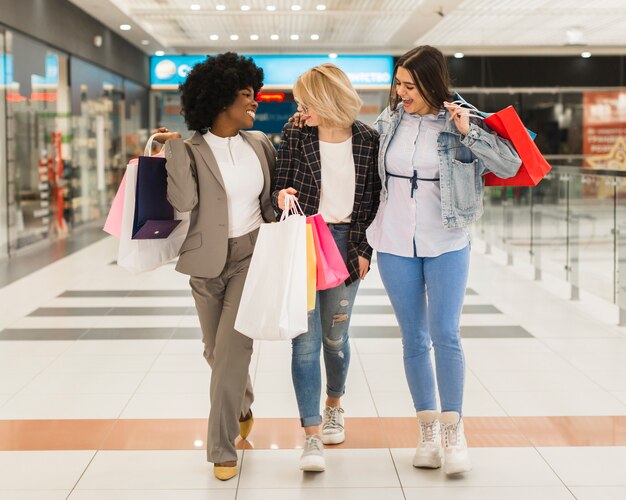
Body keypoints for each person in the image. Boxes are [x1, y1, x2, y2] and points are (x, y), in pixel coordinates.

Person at [366, 46, 521, 475]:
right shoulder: (389, 121)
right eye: (398, 84)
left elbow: (510, 166)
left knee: (445, 334)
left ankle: (454, 428)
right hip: (395, 241)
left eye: (410, 86)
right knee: (413, 338)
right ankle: (427, 430)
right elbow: (361, 155)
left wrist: (469, 132)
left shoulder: (461, 117)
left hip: (448, 239)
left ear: (432, 83)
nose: (401, 93)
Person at [153, 52, 276, 481]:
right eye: (246, 96)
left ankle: (221, 449)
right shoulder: (190, 150)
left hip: (251, 256)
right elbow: (184, 202)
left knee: (232, 349)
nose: (254, 103)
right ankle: (241, 403)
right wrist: (172, 150)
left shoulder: (260, 144)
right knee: (214, 350)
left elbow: (275, 202)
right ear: (221, 99)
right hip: (206, 261)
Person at [272, 63, 381, 472]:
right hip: (304, 243)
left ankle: (335, 404)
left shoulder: (368, 140)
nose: (300, 108)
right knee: (304, 341)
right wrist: (280, 196)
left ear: (326, 99)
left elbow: (373, 202)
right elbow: (276, 191)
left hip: (346, 246)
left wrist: (365, 249)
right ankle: (312, 435)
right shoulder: (297, 135)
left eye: (305, 101)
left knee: (334, 339)